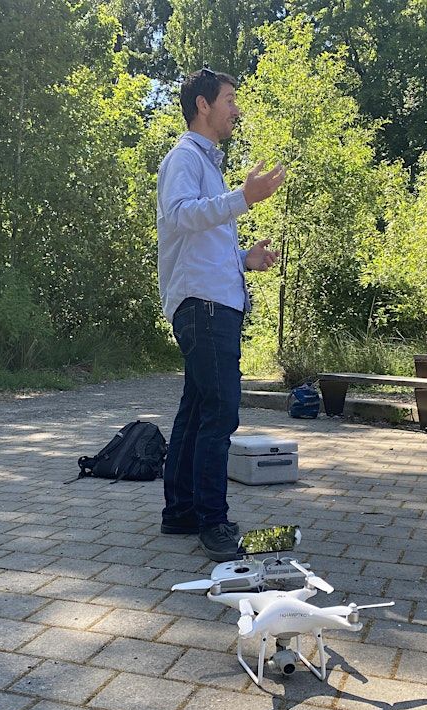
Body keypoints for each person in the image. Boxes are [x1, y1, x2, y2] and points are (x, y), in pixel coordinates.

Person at [157, 68, 285, 561]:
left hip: (212, 301)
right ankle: (213, 522)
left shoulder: (206, 164)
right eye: (229, 98)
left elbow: (199, 242)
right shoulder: (184, 157)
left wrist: (243, 259)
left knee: (195, 410)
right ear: (203, 105)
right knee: (220, 410)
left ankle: (181, 511)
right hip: (203, 307)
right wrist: (243, 199)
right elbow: (179, 215)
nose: (236, 108)